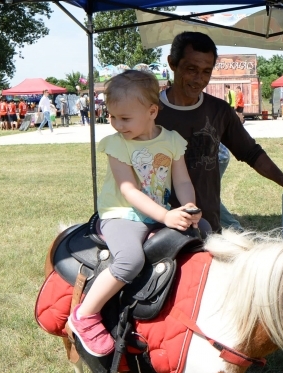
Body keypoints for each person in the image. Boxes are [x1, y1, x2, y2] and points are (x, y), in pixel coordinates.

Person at [68, 70, 203, 357]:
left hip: (157, 213)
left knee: (202, 242)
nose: (117, 124)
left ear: (152, 111)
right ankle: (85, 315)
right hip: (121, 214)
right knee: (130, 260)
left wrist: (188, 207)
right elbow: (129, 190)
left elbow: (181, 181)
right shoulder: (118, 144)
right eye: (112, 116)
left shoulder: (172, 140)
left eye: (125, 118)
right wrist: (166, 217)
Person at [155, 31, 283, 233]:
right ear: (172, 63)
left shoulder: (219, 111)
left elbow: (251, 152)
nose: (199, 79)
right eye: (191, 69)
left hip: (206, 226)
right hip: (156, 226)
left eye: (207, 71)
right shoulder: (150, 110)